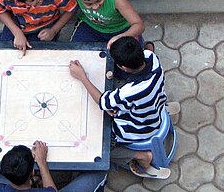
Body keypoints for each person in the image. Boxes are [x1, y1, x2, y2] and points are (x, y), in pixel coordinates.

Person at [69, 36, 169, 179]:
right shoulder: (152, 58)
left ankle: (141, 156)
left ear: (124, 68)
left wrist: (82, 77)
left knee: (93, 147)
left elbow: (102, 102)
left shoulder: (128, 92)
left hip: (138, 130)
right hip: (157, 109)